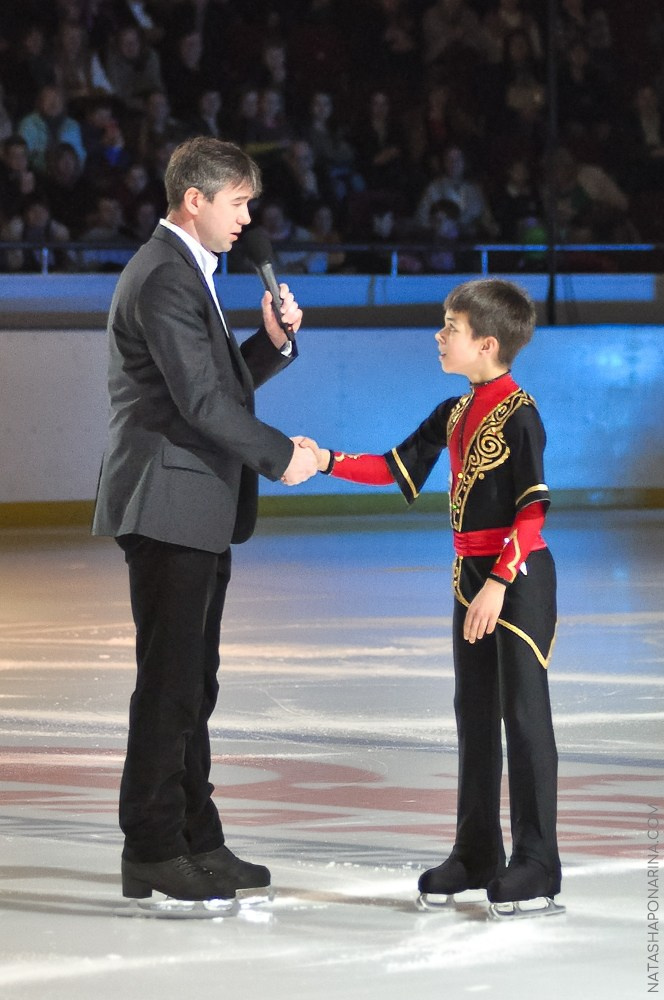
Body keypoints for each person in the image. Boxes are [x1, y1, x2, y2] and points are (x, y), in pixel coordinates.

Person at [92, 136, 318, 907]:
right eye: (238, 203)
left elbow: (211, 386)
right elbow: (198, 403)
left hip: (192, 505)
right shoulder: (164, 275)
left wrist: (271, 347)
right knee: (171, 684)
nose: (246, 218)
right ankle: (153, 846)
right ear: (195, 199)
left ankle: (196, 835)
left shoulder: (185, 271)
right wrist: (280, 455)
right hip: (168, 502)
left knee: (194, 682)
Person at [299, 279, 562, 916]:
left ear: (487, 344)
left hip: (517, 581)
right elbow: (395, 466)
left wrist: (499, 582)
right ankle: (476, 852)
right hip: (469, 579)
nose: (439, 336)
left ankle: (537, 863)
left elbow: (533, 512)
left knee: (524, 717)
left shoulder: (520, 414)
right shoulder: (453, 411)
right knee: (474, 716)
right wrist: (326, 458)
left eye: (451, 327)